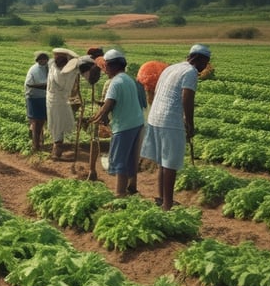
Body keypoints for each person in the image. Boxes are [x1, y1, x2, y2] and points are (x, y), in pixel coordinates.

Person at [140, 44, 212, 210]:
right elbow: (187, 97)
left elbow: (158, 90)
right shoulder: (190, 72)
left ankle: (161, 198)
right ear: (198, 59)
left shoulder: (172, 68)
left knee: (163, 162)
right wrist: (189, 123)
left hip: (155, 116)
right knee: (170, 163)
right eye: (205, 63)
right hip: (169, 120)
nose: (204, 68)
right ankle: (167, 205)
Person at [89, 49, 144, 197]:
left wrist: (96, 118)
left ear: (112, 66)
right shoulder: (128, 79)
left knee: (120, 160)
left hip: (124, 126)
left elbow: (108, 105)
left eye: (106, 66)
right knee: (130, 158)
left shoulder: (115, 83)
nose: (105, 70)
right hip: (136, 123)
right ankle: (131, 188)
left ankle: (120, 193)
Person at [46, 47, 81, 160]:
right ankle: (56, 153)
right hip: (58, 102)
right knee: (58, 127)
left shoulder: (53, 67)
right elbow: (64, 82)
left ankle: (56, 152)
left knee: (58, 126)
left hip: (56, 100)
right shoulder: (60, 73)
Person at [24, 51, 49, 152]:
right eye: (41, 59)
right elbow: (29, 85)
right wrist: (45, 86)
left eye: (45, 59)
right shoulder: (34, 69)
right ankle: (35, 145)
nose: (43, 61)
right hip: (33, 97)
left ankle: (40, 143)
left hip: (44, 97)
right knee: (35, 122)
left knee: (42, 121)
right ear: (37, 60)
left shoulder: (48, 68)